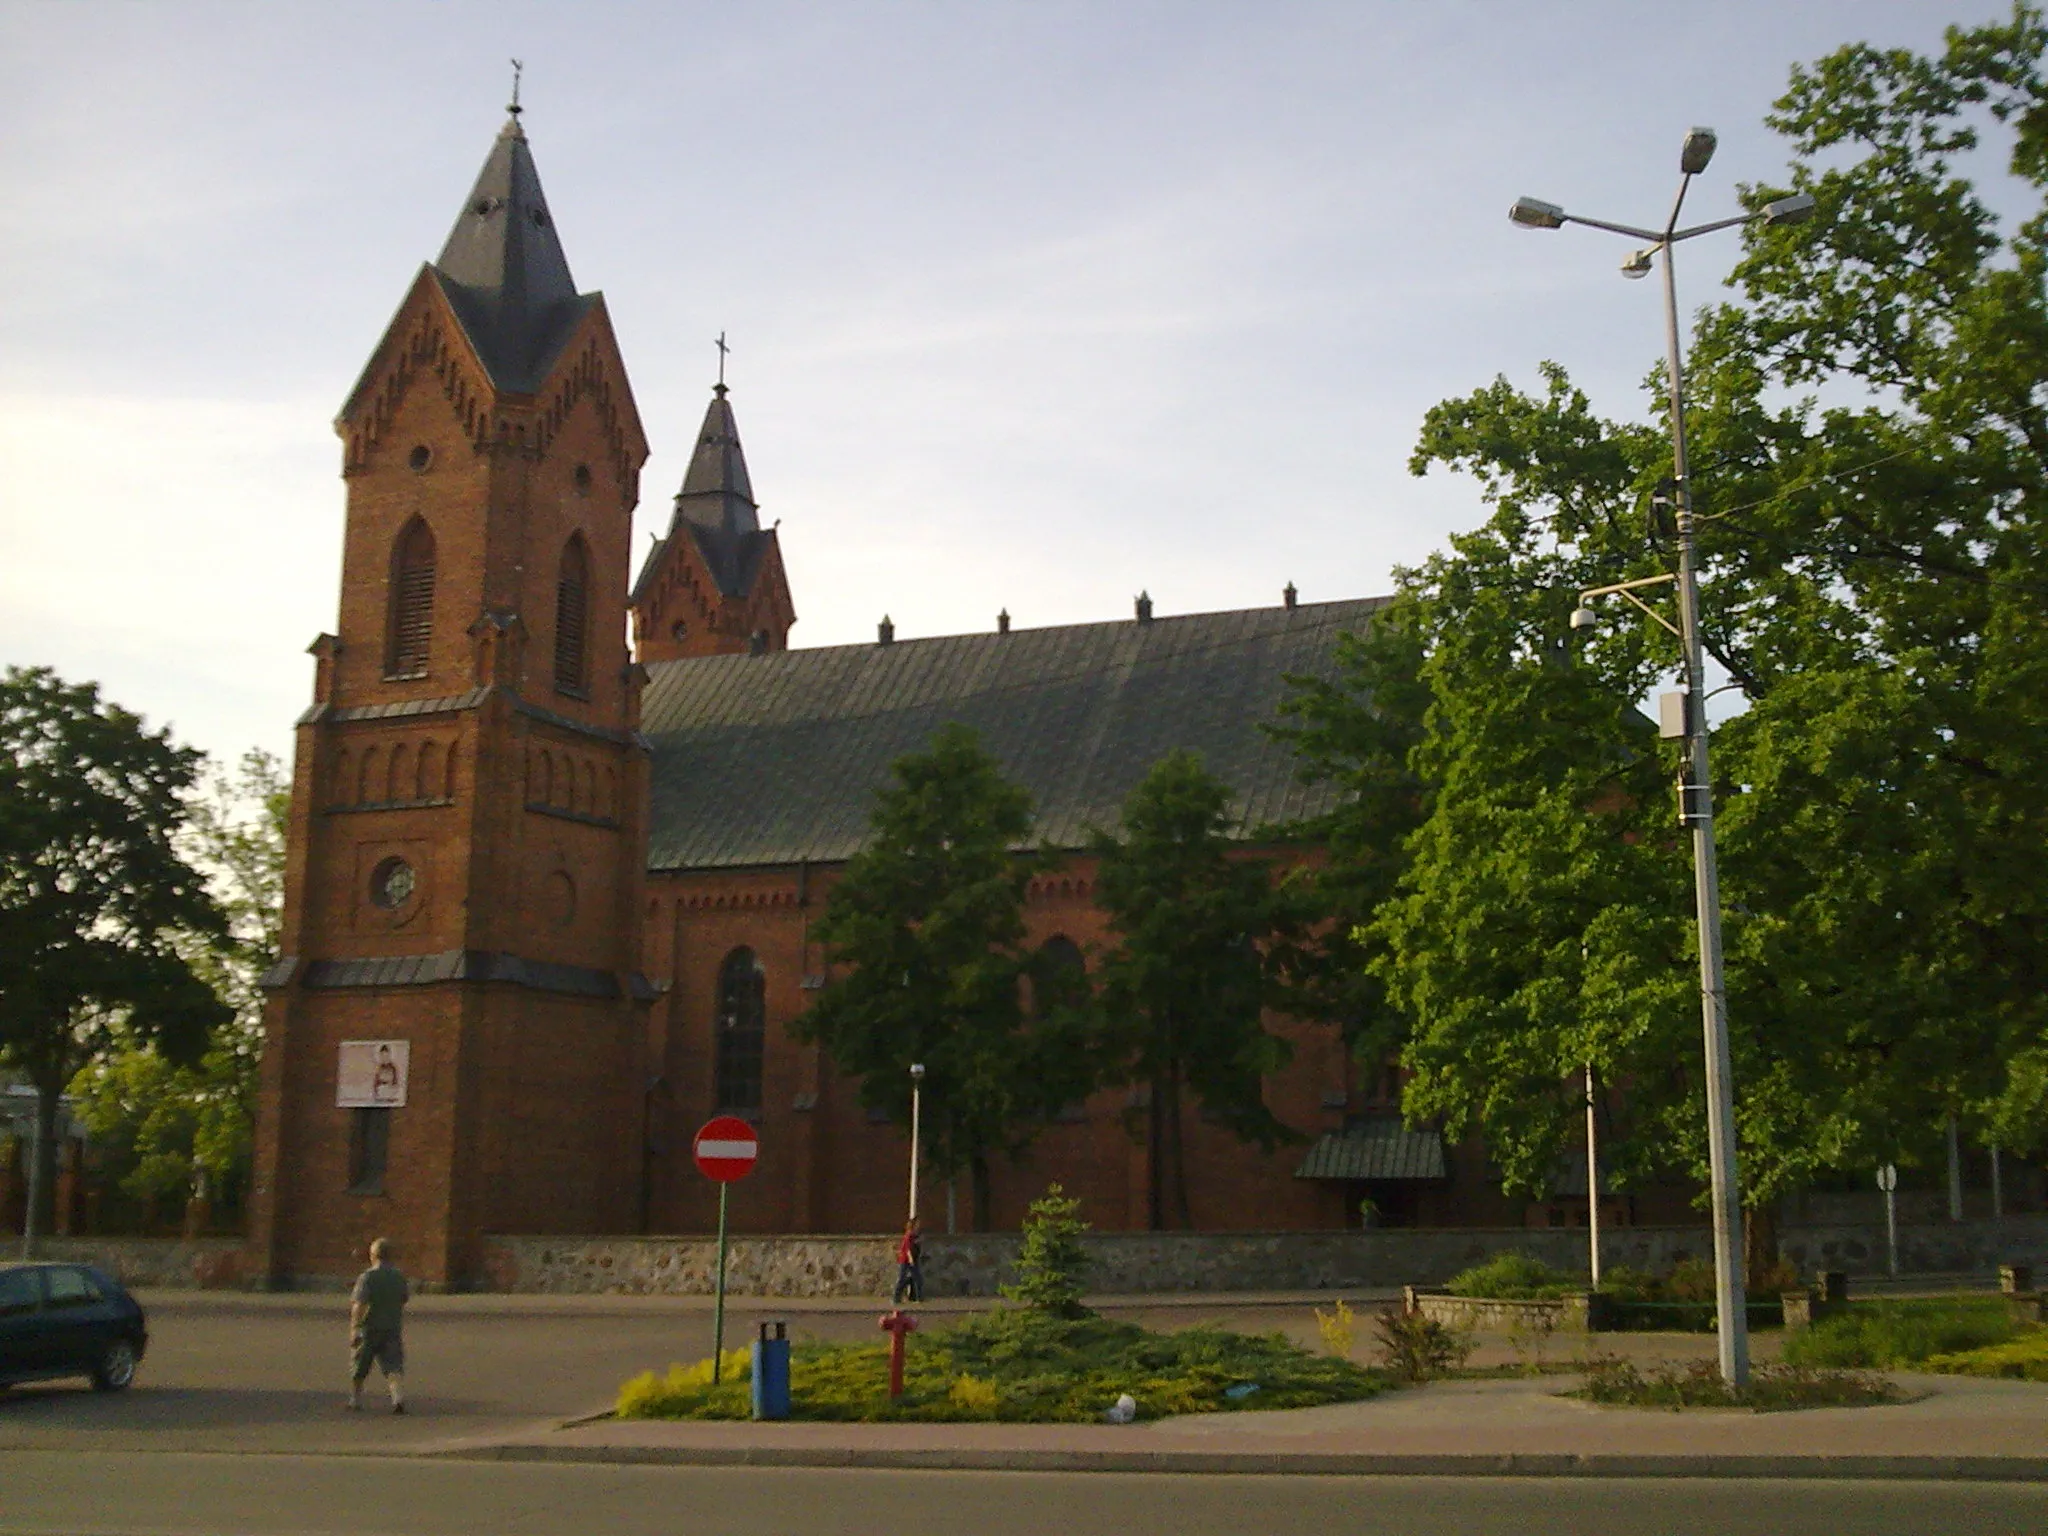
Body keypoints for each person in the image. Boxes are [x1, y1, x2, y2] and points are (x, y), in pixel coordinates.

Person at [347, 1236, 410, 1413]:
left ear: (372, 1255)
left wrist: (355, 1328)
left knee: (360, 1365)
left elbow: (358, 1305)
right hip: (391, 1327)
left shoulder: (367, 1277)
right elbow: (403, 1299)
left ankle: (355, 1399)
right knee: (393, 1365)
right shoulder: (399, 1277)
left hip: (369, 1327)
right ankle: (397, 1398)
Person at [892, 1217, 924, 1304]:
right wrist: (910, 1259)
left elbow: (915, 1246)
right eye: (917, 1224)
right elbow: (907, 1248)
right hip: (906, 1259)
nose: (919, 1226)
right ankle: (896, 1298)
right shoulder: (909, 1235)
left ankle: (918, 1298)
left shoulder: (915, 1235)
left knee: (917, 1278)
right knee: (902, 1278)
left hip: (913, 1259)